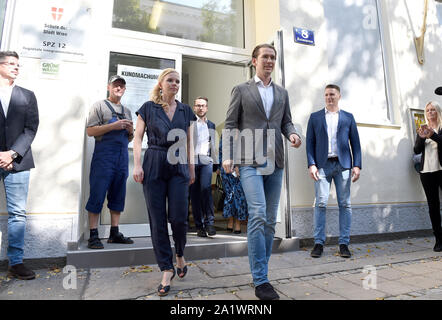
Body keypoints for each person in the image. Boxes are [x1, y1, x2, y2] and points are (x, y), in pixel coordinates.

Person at [222, 44, 302, 300]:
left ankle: (261, 270)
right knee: (257, 214)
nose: (269, 60)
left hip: (275, 160)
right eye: (265, 57)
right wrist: (227, 155)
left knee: (269, 219)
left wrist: (292, 133)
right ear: (254, 60)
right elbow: (232, 123)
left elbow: (285, 120)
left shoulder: (282, 92)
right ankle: (261, 279)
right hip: (249, 160)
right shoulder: (242, 90)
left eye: (273, 57)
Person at [133, 68, 196, 297]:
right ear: (161, 83)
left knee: (179, 217)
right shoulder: (148, 108)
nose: (175, 84)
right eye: (170, 80)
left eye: (178, 81)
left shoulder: (186, 110)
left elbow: (189, 143)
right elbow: (138, 138)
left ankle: (179, 253)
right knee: (157, 219)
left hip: (178, 163)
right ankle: (166, 268)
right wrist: (137, 164)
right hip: (154, 162)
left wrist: (191, 168)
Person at [306, 84, 362, 259]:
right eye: (326, 95)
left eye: (332, 94)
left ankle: (344, 244)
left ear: (339, 96)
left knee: (345, 204)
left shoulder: (348, 117)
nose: (329, 97)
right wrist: (311, 164)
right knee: (321, 203)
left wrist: (357, 165)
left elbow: (356, 143)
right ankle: (318, 243)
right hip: (322, 165)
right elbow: (309, 143)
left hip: (343, 165)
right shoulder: (315, 117)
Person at [0, 51, 39, 280]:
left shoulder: (27, 95)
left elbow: (31, 128)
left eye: (17, 65)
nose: (16, 67)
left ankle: (16, 263)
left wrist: (12, 153)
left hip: (19, 161)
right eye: (10, 64)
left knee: (18, 214)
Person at [85, 75, 134, 249]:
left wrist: (130, 130)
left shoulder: (127, 111)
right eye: (115, 85)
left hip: (121, 158)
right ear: (109, 87)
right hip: (103, 158)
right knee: (97, 194)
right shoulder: (98, 106)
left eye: (121, 86)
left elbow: (129, 138)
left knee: (118, 194)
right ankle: (93, 235)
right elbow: (90, 131)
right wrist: (113, 126)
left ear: (124, 89)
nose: (118, 88)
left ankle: (115, 232)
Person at [413, 101, 442, 252]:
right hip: (426, 171)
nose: (430, 112)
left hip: (441, 169)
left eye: (433, 110)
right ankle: (438, 239)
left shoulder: (441, 127)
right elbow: (416, 150)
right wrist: (422, 137)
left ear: (438, 111)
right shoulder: (423, 128)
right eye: (428, 110)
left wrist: (434, 136)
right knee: (433, 206)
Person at [190, 96, 217, 237]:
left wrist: (216, 163)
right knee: (194, 194)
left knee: (206, 189)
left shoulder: (211, 125)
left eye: (203, 105)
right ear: (194, 107)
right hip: (192, 160)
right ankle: (199, 226)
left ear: (206, 108)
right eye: (198, 105)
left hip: (206, 160)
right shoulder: (189, 123)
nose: (201, 108)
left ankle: (210, 223)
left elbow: (213, 145)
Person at [218, 133, 248, 234]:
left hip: (240, 169)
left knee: (240, 196)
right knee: (229, 195)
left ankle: (238, 223)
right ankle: (230, 221)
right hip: (226, 170)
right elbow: (221, 151)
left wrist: (238, 165)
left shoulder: (244, 132)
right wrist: (219, 167)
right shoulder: (225, 134)